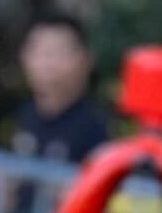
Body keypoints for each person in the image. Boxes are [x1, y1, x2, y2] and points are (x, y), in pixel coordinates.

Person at [9, 11, 111, 171]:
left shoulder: (97, 129)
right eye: (40, 51)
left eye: (59, 52)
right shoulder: (22, 116)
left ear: (86, 60)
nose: (48, 62)